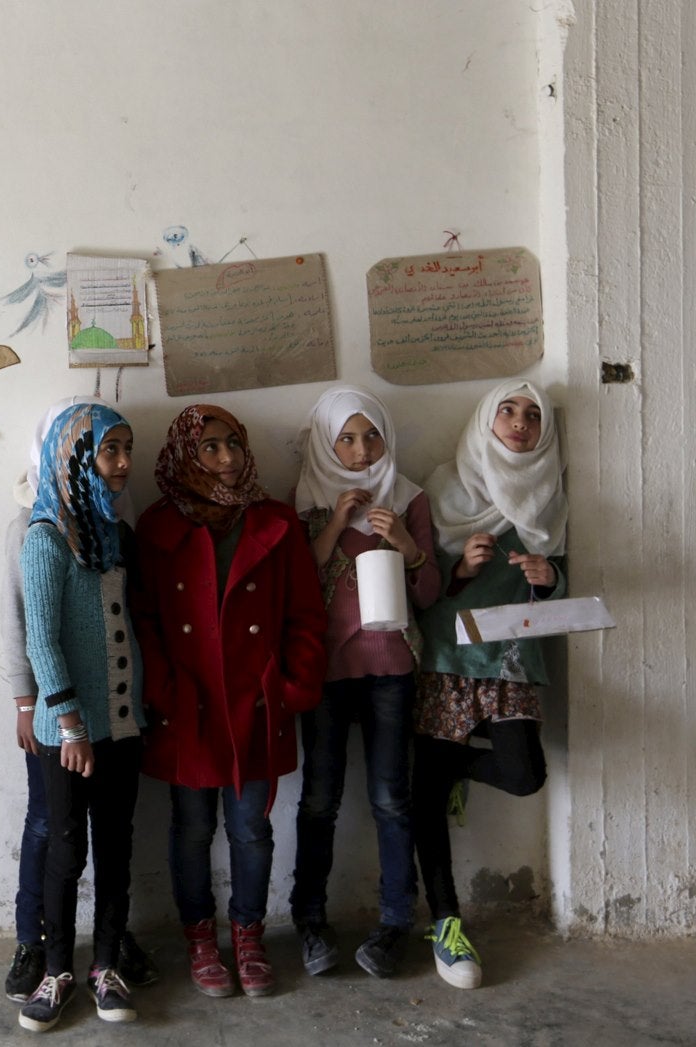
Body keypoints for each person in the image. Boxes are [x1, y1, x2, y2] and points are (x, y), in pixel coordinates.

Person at [132, 404, 326, 998]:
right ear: (186, 454)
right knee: (191, 828)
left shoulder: (275, 521)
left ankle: (247, 935)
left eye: (233, 445)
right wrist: (163, 689)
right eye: (210, 447)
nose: (224, 458)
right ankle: (199, 938)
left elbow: (304, 613)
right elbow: (146, 621)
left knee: (251, 830)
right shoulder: (157, 525)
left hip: (255, 703)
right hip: (187, 705)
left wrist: (290, 687)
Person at [0, 398, 159, 1005]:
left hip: (121, 723)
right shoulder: (44, 537)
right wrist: (69, 725)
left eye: (127, 450)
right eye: (109, 450)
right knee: (66, 851)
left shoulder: (114, 533)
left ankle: (108, 965)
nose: (122, 463)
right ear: (73, 455)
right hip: (68, 733)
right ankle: (57, 969)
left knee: (116, 847)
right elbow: (40, 637)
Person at [413, 379, 567, 990]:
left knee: (525, 774)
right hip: (449, 655)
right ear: (486, 419)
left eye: (532, 415)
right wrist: (459, 568)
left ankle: (459, 773)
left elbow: (559, 579)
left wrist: (548, 574)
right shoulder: (445, 487)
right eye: (508, 410)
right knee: (423, 794)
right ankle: (447, 922)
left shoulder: (550, 493)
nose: (520, 423)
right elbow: (415, 581)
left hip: (510, 658)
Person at [287, 386, 441, 978]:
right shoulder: (303, 501)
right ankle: (309, 920)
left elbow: (427, 595)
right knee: (320, 800)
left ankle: (396, 923)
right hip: (326, 671)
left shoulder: (410, 498)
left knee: (390, 799)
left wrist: (404, 542)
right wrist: (335, 526)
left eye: (370, 436)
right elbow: (297, 587)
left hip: (391, 670)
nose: (360, 450)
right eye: (346, 438)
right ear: (326, 441)